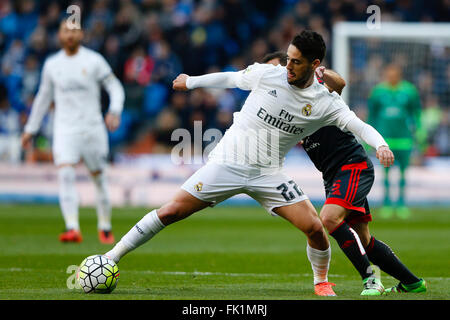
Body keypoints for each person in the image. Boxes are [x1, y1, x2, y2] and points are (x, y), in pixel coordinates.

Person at [104, 30, 394, 296]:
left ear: (314, 64)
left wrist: (380, 144)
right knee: (170, 211)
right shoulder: (269, 75)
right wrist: (191, 82)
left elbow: (358, 125)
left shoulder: (324, 102)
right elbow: (230, 78)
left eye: (296, 62)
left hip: (269, 173)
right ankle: (110, 258)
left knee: (316, 229)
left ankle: (321, 282)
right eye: (288, 59)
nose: (288, 66)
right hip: (228, 163)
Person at [263, 51, 426, 295]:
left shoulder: (315, 92)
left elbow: (338, 84)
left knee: (328, 218)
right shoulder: (278, 110)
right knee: (365, 240)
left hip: (352, 165)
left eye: (280, 67)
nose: (278, 74)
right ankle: (413, 283)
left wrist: (321, 72)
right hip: (332, 175)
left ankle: (371, 280)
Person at [21, 19, 125, 244]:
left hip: (92, 128)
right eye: (66, 31)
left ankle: (105, 227)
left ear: (82, 34)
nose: (70, 35)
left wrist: (114, 111)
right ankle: (72, 227)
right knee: (65, 174)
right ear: (59, 35)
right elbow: (43, 98)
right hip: (65, 129)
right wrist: (31, 129)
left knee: (99, 178)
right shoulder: (52, 64)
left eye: (74, 31)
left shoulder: (94, 60)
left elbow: (115, 86)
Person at [368, 64, 424, 219]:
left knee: (403, 173)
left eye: (394, 74)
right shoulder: (378, 92)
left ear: (399, 75)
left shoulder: (409, 91)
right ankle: (386, 203)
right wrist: (369, 139)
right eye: (389, 73)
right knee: (385, 173)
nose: (391, 76)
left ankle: (401, 204)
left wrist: (419, 131)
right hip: (385, 141)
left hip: (404, 139)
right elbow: (372, 115)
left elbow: (416, 113)